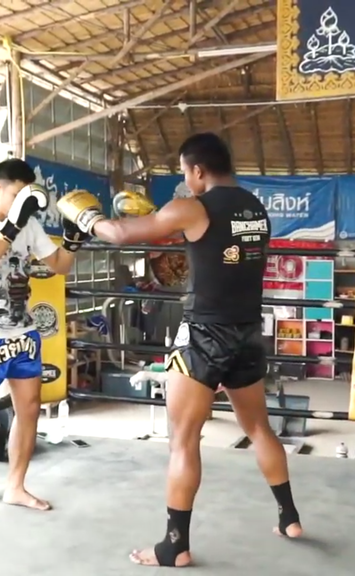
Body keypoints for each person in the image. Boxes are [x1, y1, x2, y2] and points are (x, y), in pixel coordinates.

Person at [57, 133, 302, 568]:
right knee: (260, 428)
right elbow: (215, 248)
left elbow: (119, 233)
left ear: (198, 170)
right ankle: (289, 518)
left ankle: (175, 545)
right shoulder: (255, 208)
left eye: (187, 173)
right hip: (247, 332)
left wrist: (85, 216)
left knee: (183, 440)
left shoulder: (192, 207)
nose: (187, 181)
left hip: (205, 335)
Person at [0, 158, 87, 509]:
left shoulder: (29, 224)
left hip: (23, 332)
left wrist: (74, 239)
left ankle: (16, 486)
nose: (21, 204)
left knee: (28, 410)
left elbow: (59, 266)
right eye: (16, 195)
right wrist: (11, 225)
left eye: (26, 197)